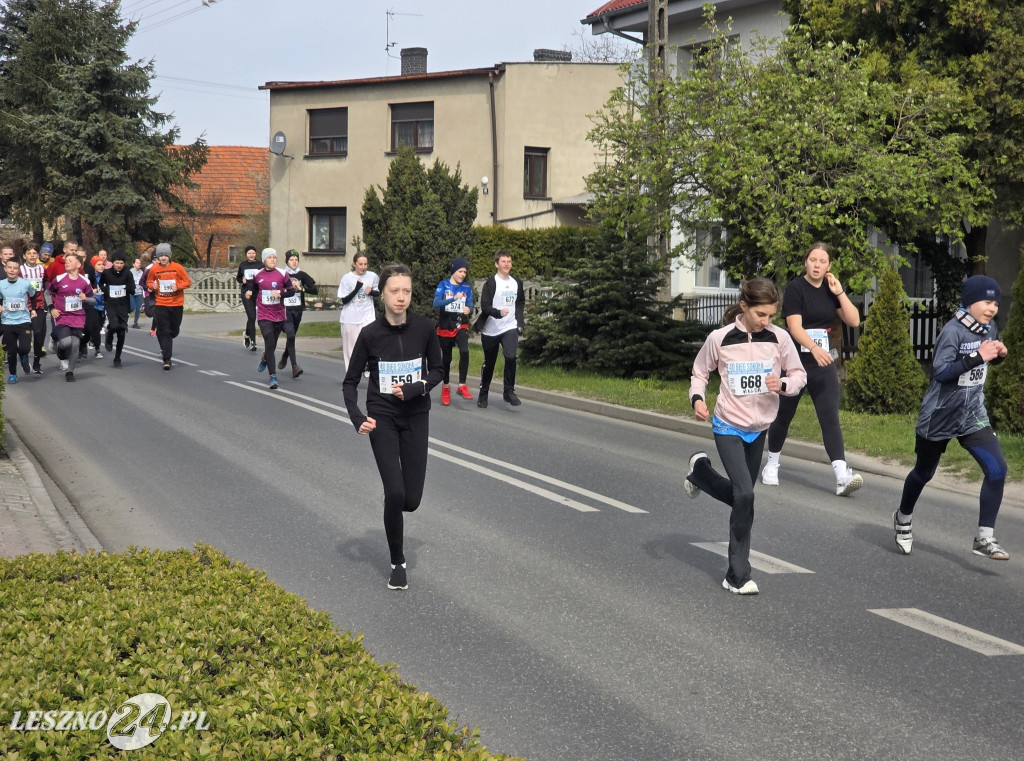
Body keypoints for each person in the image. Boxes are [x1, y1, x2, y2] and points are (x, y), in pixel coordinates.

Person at [684, 278, 807, 595]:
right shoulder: (720, 338)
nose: (767, 321)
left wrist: (781, 385)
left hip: (759, 428)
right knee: (746, 497)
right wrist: (697, 398)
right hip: (728, 424)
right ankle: (737, 575)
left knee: (742, 498)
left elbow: (798, 375)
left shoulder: (779, 338)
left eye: (771, 315)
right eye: (761, 315)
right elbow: (700, 372)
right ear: (744, 307)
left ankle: (700, 473)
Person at [893, 275, 1010, 559]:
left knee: (997, 470)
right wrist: (978, 357)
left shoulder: (989, 327)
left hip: (972, 414)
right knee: (924, 473)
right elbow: (940, 373)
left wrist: (999, 354)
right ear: (969, 302)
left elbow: (985, 357)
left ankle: (984, 537)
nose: (992, 308)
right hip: (940, 416)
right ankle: (903, 518)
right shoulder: (953, 331)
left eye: (995, 303)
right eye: (986, 301)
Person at [343, 263, 443, 590]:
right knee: (395, 492)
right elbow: (350, 383)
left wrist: (418, 387)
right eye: (394, 291)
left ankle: (394, 502)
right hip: (382, 416)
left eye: (407, 291)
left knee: (410, 500)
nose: (401, 298)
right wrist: (358, 417)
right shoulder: (370, 334)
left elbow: (439, 370)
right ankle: (397, 562)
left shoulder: (425, 328)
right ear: (382, 293)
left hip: (416, 415)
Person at [761, 243, 863, 496]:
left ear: (829, 266)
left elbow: (853, 320)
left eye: (823, 261)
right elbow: (794, 327)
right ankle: (772, 464)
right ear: (805, 262)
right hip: (796, 363)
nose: (817, 265)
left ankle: (841, 475)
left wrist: (839, 292)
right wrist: (813, 348)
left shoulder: (831, 289)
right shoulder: (797, 289)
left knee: (830, 418)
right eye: (813, 260)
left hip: (823, 366)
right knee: (784, 416)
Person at [474, 249, 525, 408]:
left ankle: (509, 391)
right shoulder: (491, 283)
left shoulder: (517, 282)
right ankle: (483, 394)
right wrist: (498, 313)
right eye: (503, 262)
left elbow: (520, 303)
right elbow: (485, 306)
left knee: (511, 357)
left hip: (509, 327)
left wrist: (520, 322)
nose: (507, 264)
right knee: (489, 363)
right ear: (497, 264)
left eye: (509, 261)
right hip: (491, 329)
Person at [244, 248, 293, 389]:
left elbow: (291, 292)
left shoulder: (283, 274)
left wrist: (281, 295)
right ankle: (273, 377)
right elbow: (253, 291)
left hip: (278, 314)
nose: (272, 260)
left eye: (274, 257)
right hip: (264, 314)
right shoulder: (258, 275)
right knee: (268, 339)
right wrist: (249, 294)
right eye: (270, 257)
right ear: (264, 259)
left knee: (271, 345)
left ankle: (265, 356)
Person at [433, 256, 474, 405]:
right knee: (446, 359)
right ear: (453, 271)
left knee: (465, 350)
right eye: (460, 271)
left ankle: (462, 385)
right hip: (445, 326)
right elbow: (436, 303)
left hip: (460, 325)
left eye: (465, 272)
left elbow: (470, 305)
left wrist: (468, 309)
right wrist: (453, 299)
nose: (463, 274)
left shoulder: (467, 287)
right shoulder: (443, 285)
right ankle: (445, 386)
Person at [47, 251, 93, 382]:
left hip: (78, 317)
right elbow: (47, 292)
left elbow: (93, 300)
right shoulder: (60, 279)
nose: (67, 262)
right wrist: (51, 308)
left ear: (78, 264)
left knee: (75, 344)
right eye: (66, 261)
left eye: (70, 260)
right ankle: (60, 351)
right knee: (66, 342)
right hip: (62, 316)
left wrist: (86, 299)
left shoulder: (84, 281)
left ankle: (70, 372)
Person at [145, 243, 190, 370]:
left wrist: (179, 286)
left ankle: (172, 333)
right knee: (165, 331)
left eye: (165, 255)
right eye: (161, 256)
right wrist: (152, 286)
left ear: (169, 256)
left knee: (173, 331)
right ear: (158, 258)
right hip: (161, 304)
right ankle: (167, 359)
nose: (163, 258)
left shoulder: (178, 267)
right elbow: (149, 282)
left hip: (176, 304)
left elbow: (187, 281)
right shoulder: (154, 269)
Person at [338, 254, 380, 373]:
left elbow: (378, 292)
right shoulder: (347, 278)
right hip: (350, 318)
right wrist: (357, 288)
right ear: (354, 264)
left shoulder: (372, 276)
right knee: (350, 350)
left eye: (365, 264)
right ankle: (350, 376)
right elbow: (344, 300)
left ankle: (367, 365)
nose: (363, 267)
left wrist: (371, 291)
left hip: (367, 316)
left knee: (371, 343)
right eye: (360, 264)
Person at [278, 249, 316, 379]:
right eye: (291, 260)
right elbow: (274, 288)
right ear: (287, 261)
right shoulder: (281, 274)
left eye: (296, 260)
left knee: (292, 337)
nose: (294, 262)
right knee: (290, 334)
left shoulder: (302, 275)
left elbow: (315, 290)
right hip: (285, 309)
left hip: (298, 310)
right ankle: (295, 366)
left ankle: (285, 355)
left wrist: (302, 288)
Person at [0, 258, 37, 384]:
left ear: (18, 270)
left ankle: (24, 357)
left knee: (25, 348)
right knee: (11, 351)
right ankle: (12, 374)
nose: (12, 270)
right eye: (10, 267)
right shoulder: (1, 284)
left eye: (15, 268)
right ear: (5, 268)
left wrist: (33, 309)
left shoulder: (26, 283)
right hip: (7, 322)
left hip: (23, 320)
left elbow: (33, 296)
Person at [98, 251, 136, 368]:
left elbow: (132, 289)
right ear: (113, 263)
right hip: (111, 303)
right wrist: (107, 290)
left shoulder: (128, 273)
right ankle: (109, 335)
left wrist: (125, 288)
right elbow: (101, 284)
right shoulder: (107, 273)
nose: (119, 265)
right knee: (114, 325)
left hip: (123, 305)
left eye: (121, 263)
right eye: (117, 262)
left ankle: (117, 357)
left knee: (121, 333)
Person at [19, 243, 47, 374]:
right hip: (24, 306)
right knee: (26, 335)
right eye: (29, 253)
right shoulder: (20, 270)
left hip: (39, 305)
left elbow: (45, 285)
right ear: (24, 256)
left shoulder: (42, 269)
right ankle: (24, 354)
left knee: (38, 333)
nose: (32, 255)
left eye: (34, 253)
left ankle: (36, 362)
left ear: (38, 255)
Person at [236, 245, 261, 351]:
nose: (251, 255)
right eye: (249, 253)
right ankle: (253, 342)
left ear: (255, 254)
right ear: (246, 254)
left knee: (253, 317)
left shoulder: (260, 265)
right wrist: (242, 279)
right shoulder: (243, 265)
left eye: (253, 253)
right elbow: (238, 278)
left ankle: (246, 334)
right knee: (252, 317)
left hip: (257, 293)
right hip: (246, 293)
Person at [129, 257, 144, 328]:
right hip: (131, 293)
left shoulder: (142, 273)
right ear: (133, 264)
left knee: (138, 308)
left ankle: (135, 323)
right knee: (131, 308)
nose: (139, 264)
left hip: (139, 293)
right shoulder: (130, 272)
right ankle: (125, 318)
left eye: (140, 263)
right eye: (137, 263)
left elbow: (143, 282)